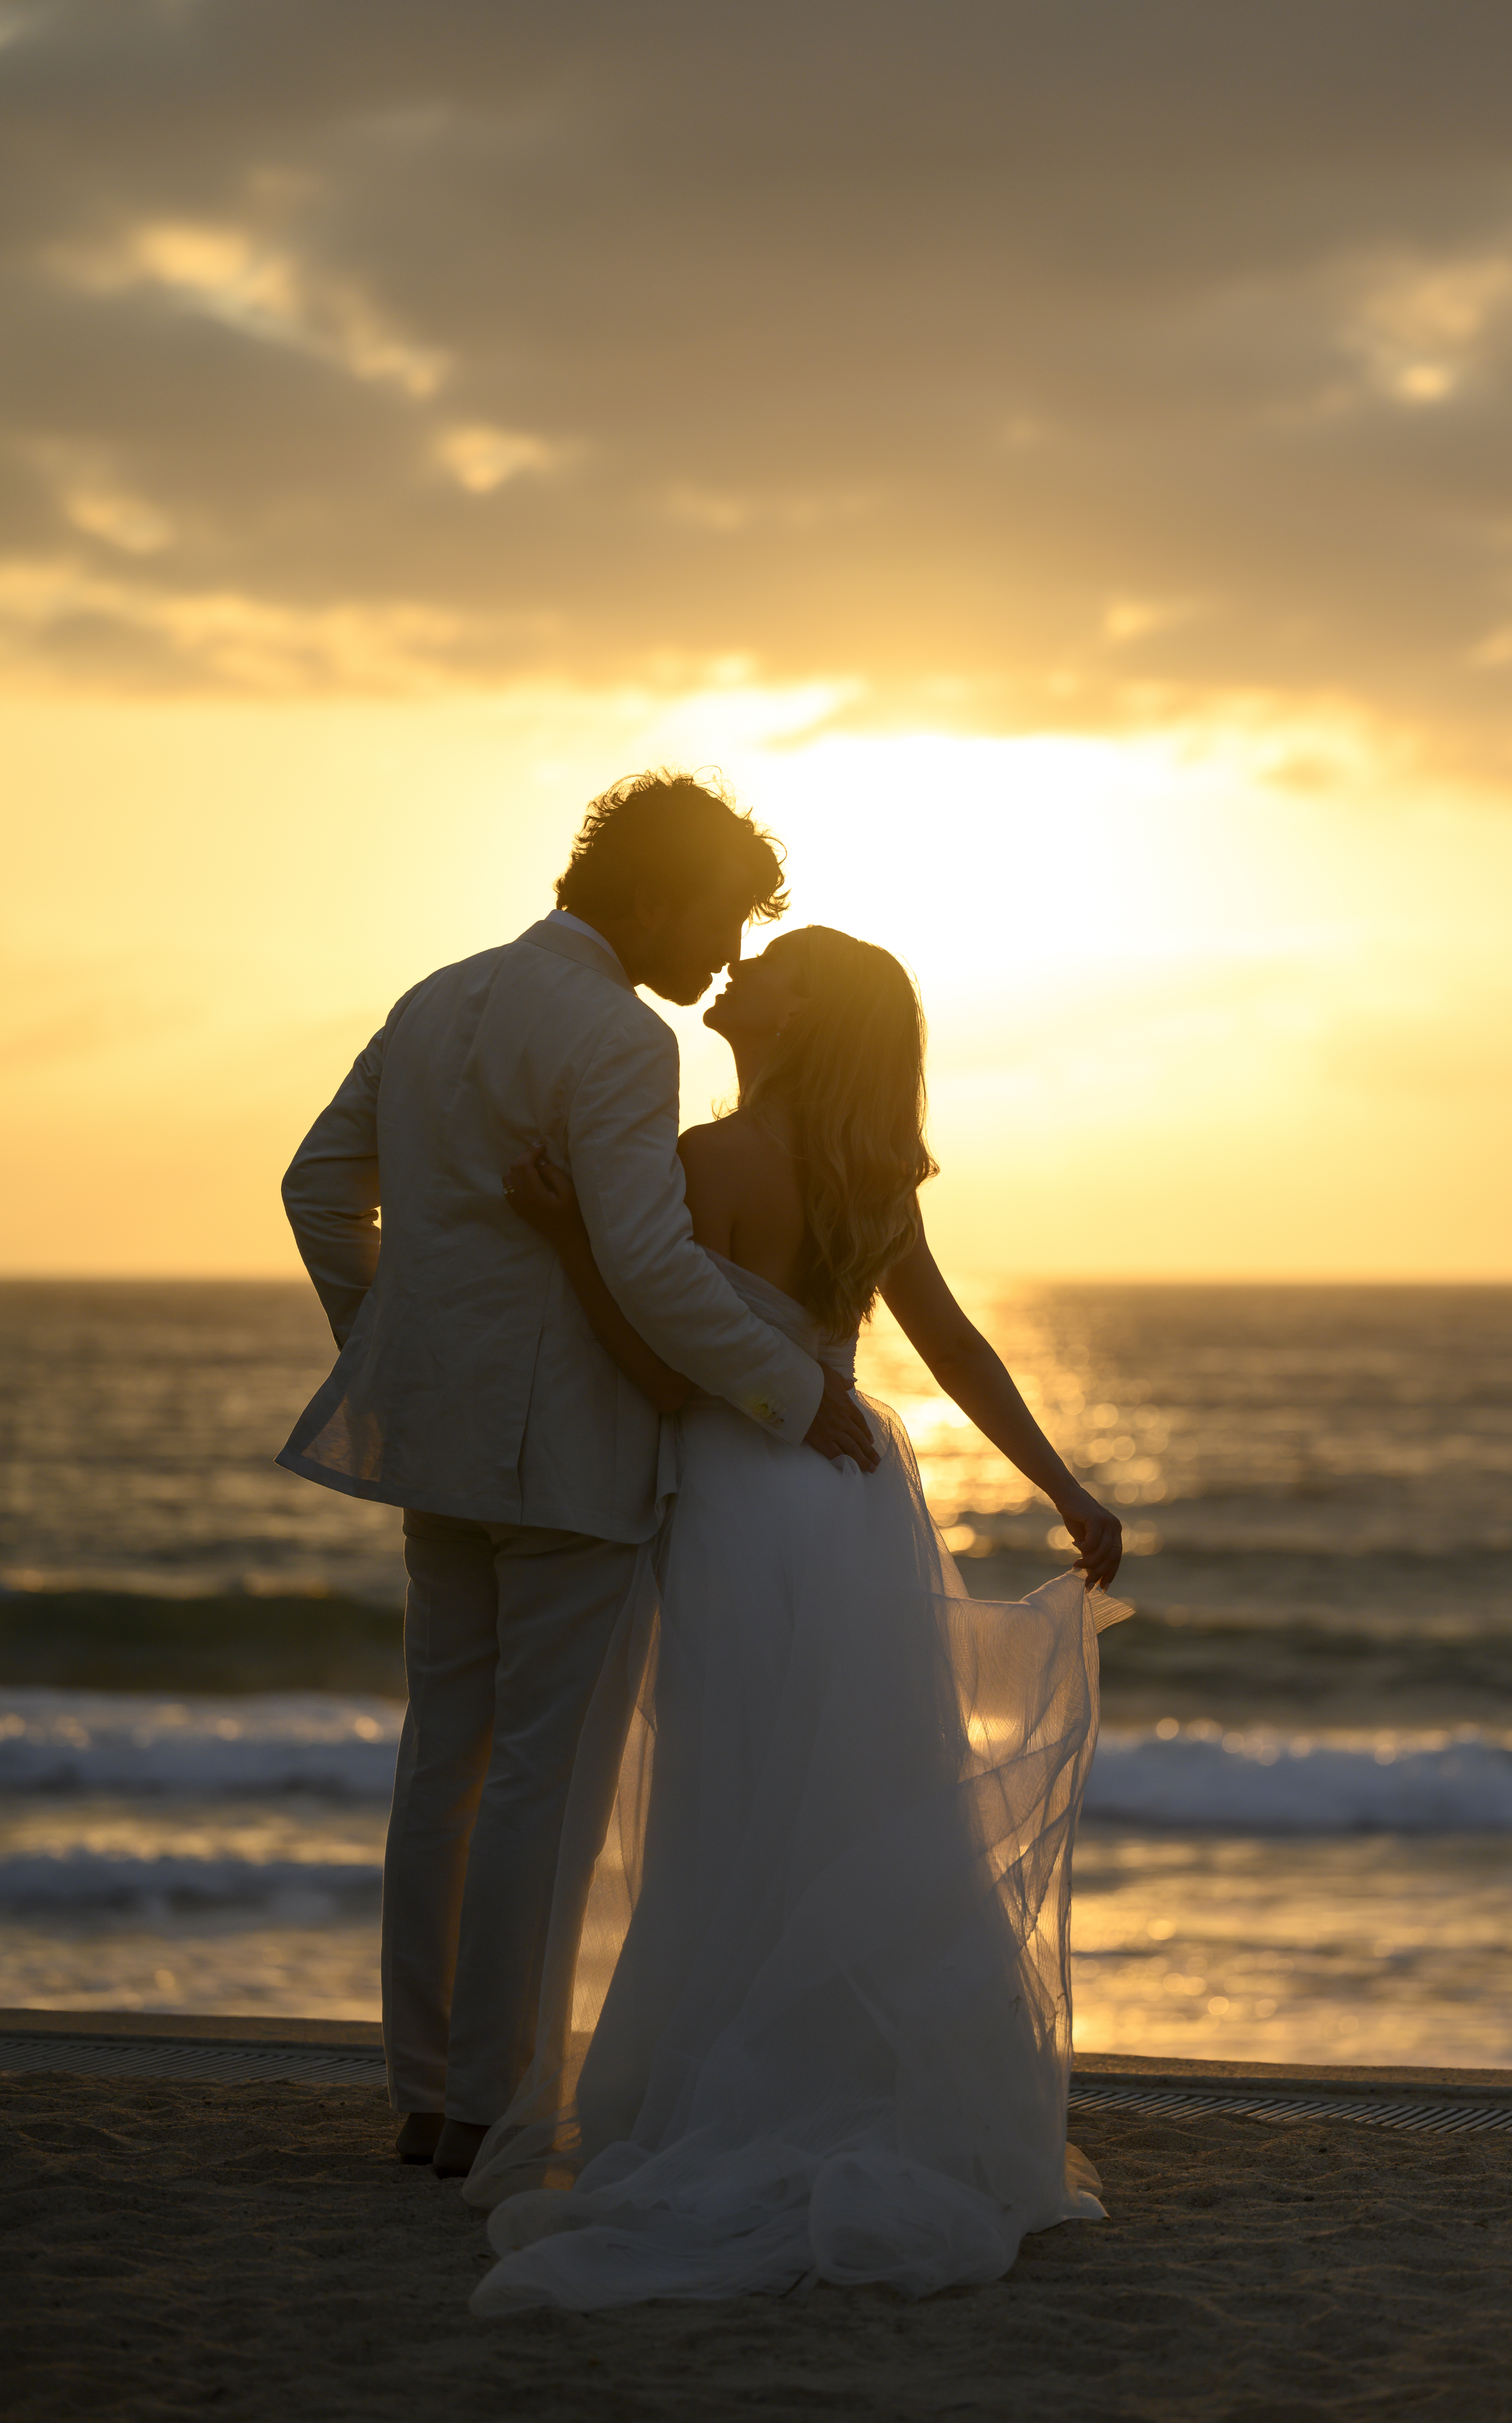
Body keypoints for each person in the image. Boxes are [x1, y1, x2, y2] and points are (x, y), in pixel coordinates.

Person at [461, 922, 1127, 2308]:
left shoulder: (701, 1163)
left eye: (779, 961)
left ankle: (733, 2085)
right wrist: (1063, 1484)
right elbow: (952, 1344)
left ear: (806, 1012)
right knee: (869, 1791)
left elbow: (659, 1372)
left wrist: (568, 1235)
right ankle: (874, 2077)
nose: (743, 968)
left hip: (740, 1492)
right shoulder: (870, 1172)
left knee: (731, 1790)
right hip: (862, 1493)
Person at [277, 772, 880, 2178]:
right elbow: (652, 1263)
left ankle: (426, 2092)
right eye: (722, 913)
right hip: (571, 1449)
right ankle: (494, 2106)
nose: (728, 952)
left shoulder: (440, 996)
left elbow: (318, 1186)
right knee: (541, 1780)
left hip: (435, 1436)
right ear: (657, 891)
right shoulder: (617, 1036)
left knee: (444, 1765)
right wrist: (794, 1393)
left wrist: (394, 1343)